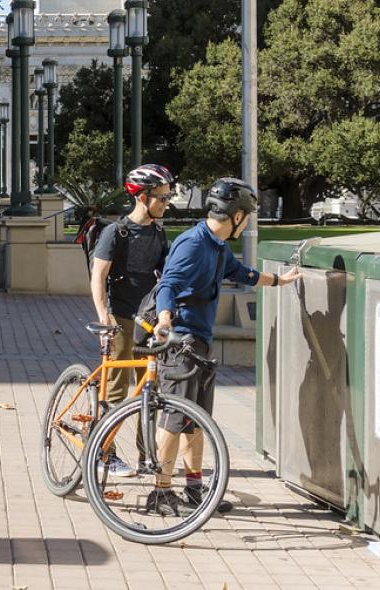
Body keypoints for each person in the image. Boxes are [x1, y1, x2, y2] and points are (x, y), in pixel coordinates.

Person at [150, 177, 301, 516]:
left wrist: (278, 280)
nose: (246, 222)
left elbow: (241, 273)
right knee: (175, 419)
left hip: (200, 343)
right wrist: (163, 319)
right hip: (181, 342)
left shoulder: (217, 246)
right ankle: (160, 491)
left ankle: (192, 487)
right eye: (246, 216)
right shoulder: (192, 244)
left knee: (197, 419)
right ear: (236, 216)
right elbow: (169, 284)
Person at [91, 164, 174, 477]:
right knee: (114, 391)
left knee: (149, 391)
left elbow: (166, 275)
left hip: (148, 321)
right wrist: (104, 317)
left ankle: (146, 456)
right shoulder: (116, 232)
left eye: (167, 197)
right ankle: (104, 453)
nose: (166, 203)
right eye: (162, 198)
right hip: (121, 319)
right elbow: (98, 278)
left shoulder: (158, 232)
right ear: (143, 198)